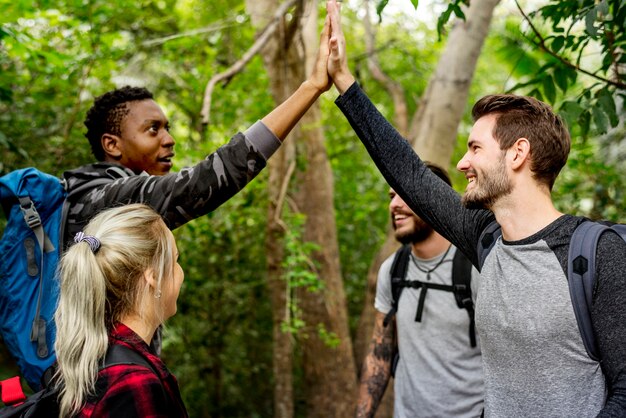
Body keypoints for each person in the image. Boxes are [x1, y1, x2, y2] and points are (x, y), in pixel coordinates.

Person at [324, 0, 626, 416]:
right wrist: (343, 80)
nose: (463, 163)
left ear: (518, 153)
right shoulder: (485, 239)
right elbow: (410, 174)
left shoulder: (596, 254)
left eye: (475, 148)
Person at [61, 14, 333, 245]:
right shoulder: (105, 200)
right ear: (112, 145)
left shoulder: (94, 194)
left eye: (167, 128)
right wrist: (311, 87)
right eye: (152, 130)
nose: (169, 140)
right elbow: (198, 184)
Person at [357, 164, 483, 418]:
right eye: (392, 196)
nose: (394, 205)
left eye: (404, 194)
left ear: (435, 200)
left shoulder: (474, 269)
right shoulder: (392, 270)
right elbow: (379, 354)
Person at [54, 204, 187, 417]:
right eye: (175, 260)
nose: (180, 272)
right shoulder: (133, 382)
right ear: (153, 277)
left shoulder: (95, 357)